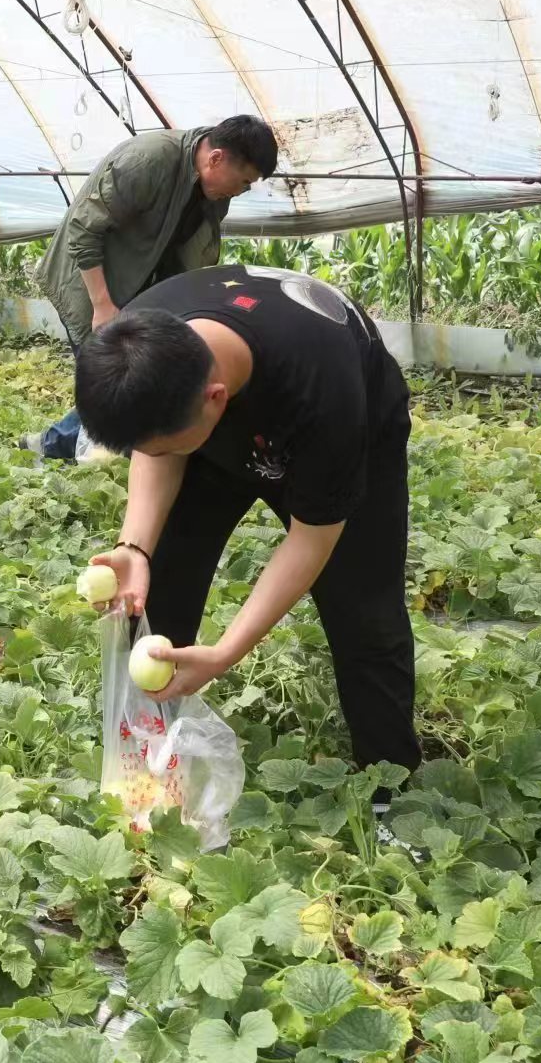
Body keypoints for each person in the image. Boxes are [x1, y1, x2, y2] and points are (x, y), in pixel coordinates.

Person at [78, 262, 421, 778]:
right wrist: (135, 548)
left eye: (163, 444)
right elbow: (158, 451)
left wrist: (224, 652)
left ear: (215, 401)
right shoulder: (145, 344)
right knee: (155, 584)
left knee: (363, 611)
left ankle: (391, 783)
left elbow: (312, 539)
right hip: (207, 426)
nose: (147, 454)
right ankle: (150, 752)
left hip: (346, 427)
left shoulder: (322, 388)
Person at [28, 116, 278, 460]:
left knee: (133, 376)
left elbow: (190, 251)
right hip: (91, 281)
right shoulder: (148, 160)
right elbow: (83, 229)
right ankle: (75, 452)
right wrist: (102, 305)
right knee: (112, 379)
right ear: (216, 158)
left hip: (139, 287)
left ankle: (54, 444)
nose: (241, 191)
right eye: (243, 181)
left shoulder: (215, 190)